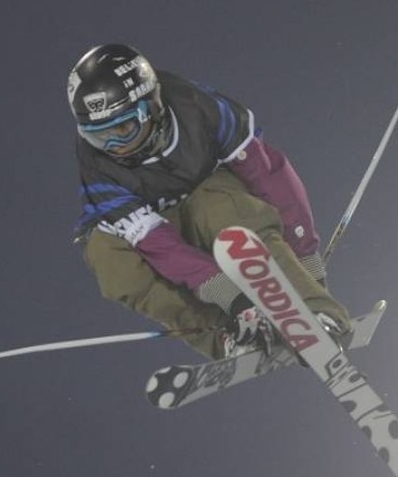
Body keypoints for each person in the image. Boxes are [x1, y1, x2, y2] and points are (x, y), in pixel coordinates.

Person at [69, 43, 353, 361]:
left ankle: (317, 315)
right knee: (109, 258)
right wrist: (229, 298)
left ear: (150, 106)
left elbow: (271, 177)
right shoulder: (99, 169)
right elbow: (159, 244)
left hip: (208, 194)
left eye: (123, 129)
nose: (114, 147)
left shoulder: (199, 109)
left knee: (220, 209)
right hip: (156, 232)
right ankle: (232, 335)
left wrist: (305, 252)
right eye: (98, 137)